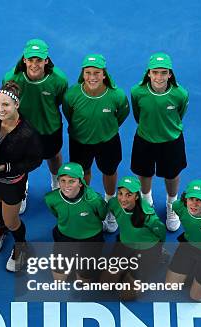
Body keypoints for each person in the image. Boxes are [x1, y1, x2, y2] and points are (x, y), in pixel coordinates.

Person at [62, 54, 130, 233]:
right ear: (83, 74)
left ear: (104, 74)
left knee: (109, 171)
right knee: (83, 172)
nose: (92, 77)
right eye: (88, 72)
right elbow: (69, 114)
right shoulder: (72, 94)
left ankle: (110, 204)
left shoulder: (117, 95)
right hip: (79, 142)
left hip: (108, 142)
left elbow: (121, 115)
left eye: (97, 73)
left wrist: (107, 129)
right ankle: (87, 203)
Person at [0, 81, 43, 271]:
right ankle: (0, 229)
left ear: (17, 105)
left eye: (6, 105)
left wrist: (8, 167)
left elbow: (35, 161)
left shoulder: (28, 132)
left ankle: (21, 244)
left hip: (12, 182)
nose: (0, 109)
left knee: (12, 220)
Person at [3, 39, 68, 213]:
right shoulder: (12, 78)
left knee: (53, 155)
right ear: (24, 59)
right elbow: (6, 103)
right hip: (22, 130)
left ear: (46, 60)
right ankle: (22, 188)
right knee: (21, 160)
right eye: (30, 59)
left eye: (39, 60)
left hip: (49, 127)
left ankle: (56, 182)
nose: (34, 64)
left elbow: (60, 101)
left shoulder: (59, 80)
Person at [130, 53, 189, 232]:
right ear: (148, 73)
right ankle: (146, 200)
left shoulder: (180, 94)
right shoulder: (137, 92)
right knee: (144, 172)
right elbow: (138, 115)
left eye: (164, 73)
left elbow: (179, 114)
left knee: (172, 175)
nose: (159, 77)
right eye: (155, 72)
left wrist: (166, 128)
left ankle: (172, 204)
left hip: (171, 141)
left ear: (170, 74)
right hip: (145, 139)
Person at [101, 176, 166, 299]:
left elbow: (161, 233)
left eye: (128, 195)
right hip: (125, 243)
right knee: (105, 284)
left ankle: (159, 256)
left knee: (127, 295)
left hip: (147, 248)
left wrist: (156, 249)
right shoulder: (114, 203)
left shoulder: (148, 215)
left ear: (136, 196)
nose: (123, 199)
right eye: (120, 193)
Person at [44, 162, 107, 282]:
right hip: (64, 236)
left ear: (81, 183)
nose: (66, 185)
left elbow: (102, 215)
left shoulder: (94, 199)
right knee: (59, 280)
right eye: (62, 180)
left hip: (90, 238)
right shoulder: (51, 198)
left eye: (71, 181)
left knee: (84, 283)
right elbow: (56, 214)